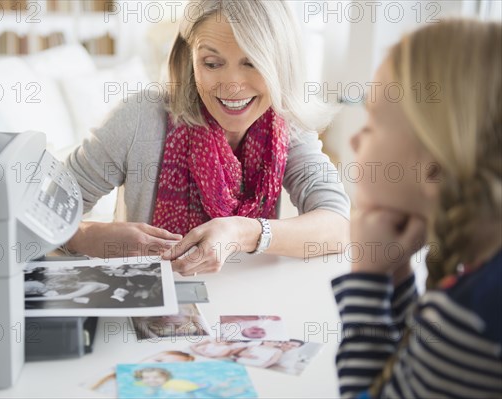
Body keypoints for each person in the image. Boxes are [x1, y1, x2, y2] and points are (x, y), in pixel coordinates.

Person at [63, 0, 350, 275]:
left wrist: (242, 232)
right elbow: (38, 215)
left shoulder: (286, 123)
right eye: (212, 63)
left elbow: (338, 226)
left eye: (252, 62)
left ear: (279, 64)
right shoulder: (139, 118)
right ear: (189, 60)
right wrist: (88, 236)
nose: (232, 85)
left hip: (246, 310)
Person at [332, 19, 501, 397]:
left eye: (373, 122)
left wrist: (367, 278)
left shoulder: (469, 319)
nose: (357, 139)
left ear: (435, 167)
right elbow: (414, 372)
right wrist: (396, 276)